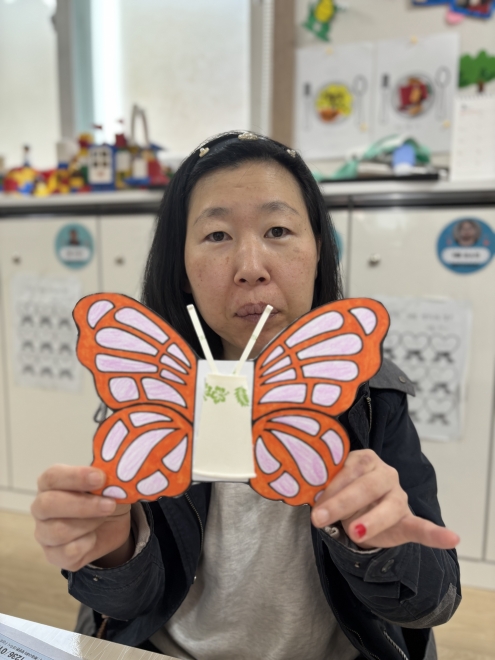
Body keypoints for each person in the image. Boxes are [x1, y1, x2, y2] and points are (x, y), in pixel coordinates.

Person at [32, 131, 461, 660]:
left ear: (319, 249)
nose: (251, 266)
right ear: (181, 268)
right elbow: (125, 606)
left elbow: (431, 602)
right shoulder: (147, 398)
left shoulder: (373, 399)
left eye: (278, 230)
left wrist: (380, 546)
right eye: (216, 235)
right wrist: (113, 554)